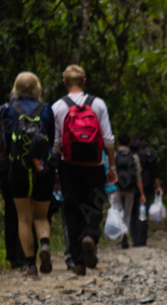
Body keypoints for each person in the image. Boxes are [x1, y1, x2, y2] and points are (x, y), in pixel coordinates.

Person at [52, 64, 116, 275]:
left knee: (72, 210)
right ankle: (89, 235)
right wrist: (112, 166)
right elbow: (108, 140)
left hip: (68, 166)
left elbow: (55, 145)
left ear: (64, 82)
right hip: (95, 166)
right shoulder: (98, 104)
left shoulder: (57, 107)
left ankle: (78, 261)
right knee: (95, 205)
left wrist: (55, 171)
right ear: (84, 81)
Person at [1, 72, 55, 277]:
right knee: (41, 215)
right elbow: (51, 140)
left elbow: (6, 141)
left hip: (19, 168)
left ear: (16, 88)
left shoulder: (9, 110)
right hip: (43, 167)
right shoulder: (46, 110)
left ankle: (30, 265)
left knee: (23, 218)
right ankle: (45, 244)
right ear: (37, 89)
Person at [0, 97, 34, 271]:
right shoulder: (41, 109)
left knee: (12, 211)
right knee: (28, 210)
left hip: (6, 166)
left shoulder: (4, 110)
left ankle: (13, 256)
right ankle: (26, 255)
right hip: (32, 167)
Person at [111, 133, 145, 249]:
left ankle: (121, 235)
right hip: (130, 189)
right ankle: (125, 234)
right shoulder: (134, 157)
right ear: (129, 143)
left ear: (118, 142)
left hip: (117, 188)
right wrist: (142, 194)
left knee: (118, 212)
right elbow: (138, 177)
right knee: (128, 214)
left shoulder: (114, 155)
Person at [130, 133, 162, 246]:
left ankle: (134, 238)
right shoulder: (148, 153)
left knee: (133, 213)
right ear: (144, 140)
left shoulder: (129, 152)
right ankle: (141, 240)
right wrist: (158, 186)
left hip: (130, 187)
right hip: (146, 186)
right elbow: (155, 171)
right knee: (142, 213)